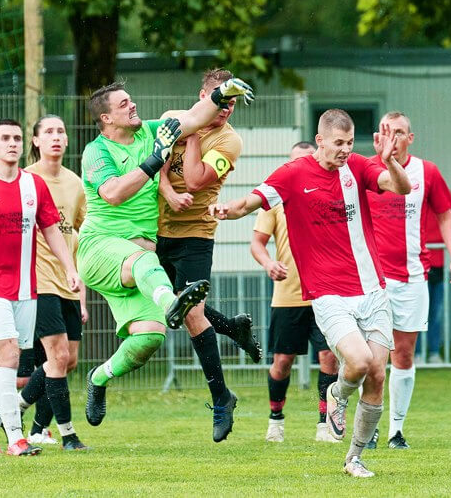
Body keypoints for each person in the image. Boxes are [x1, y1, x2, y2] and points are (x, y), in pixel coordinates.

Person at [211, 109, 411, 478]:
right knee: (359, 362)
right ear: (320, 141)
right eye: (338, 143)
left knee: (377, 375)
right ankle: (336, 394)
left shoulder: (359, 167)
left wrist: (390, 161)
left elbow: (401, 187)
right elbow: (248, 203)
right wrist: (226, 210)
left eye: (349, 142)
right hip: (328, 293)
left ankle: (354, 458)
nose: (345, 149)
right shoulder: (292, 174)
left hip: (373, 290)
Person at [77, 78, 255, 442]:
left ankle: (98, 377)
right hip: (102, 248)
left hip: (180, 238)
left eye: (131, 100)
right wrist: (157, 163)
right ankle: (173, 304)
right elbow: (113, 193)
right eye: (124, 104)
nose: (133, 105)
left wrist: (223, 92)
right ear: (106, 118)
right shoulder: (96, 151)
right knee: (157, 276)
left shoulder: (157, 132)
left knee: (149, 339)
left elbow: (195, 124)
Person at [0, 119, 81, 456]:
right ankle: (17, 439)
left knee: (6, 362)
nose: (12, 143)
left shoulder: (34, 185)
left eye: (17, 138)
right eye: (5, 138)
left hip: (25, 287)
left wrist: (70, 269)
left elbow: (52, 230)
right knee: (8, 355)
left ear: (24, 145)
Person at [156, 68, 263, 440]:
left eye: (232, 103)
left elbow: (196, 178)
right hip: (156, 231)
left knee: (191, 314)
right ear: (204, 96)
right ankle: (233, 328)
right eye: (221, 100)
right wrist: (169, 193)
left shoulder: (229, 140)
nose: (226, 108)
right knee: (167, 303)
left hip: (195, 234)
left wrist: (193, 133)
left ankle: (221, 399)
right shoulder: (170, 118)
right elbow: (155, 166)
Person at [366, 112, 451, 450]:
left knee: (404, 354)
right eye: (386, 131)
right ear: (378, 136)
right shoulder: (366, 169)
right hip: (372, 279)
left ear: (410, 138)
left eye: (399, 132)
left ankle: (396, 431)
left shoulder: (428, 171)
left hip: (412, 277)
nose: (392, 137)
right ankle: (368, 426)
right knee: (372, 357)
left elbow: (445, 215)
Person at [249, 141, 340, 444]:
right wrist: (268, 263)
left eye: (306, 160)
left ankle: (325, 424)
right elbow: (257, 243)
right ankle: (276, 419)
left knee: (329, 357)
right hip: (288, 296)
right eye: (294, 162)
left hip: (325, 294)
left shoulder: (329, 195)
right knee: (282, 362)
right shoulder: (275, 202)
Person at [419, 189, 451, 364]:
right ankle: (418, 353)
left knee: (436, 313)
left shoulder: (444, 208)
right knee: (420, 313)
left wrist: (449, 202)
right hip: (421, 265)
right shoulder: (418, 205)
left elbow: (450, 228)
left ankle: (434, 351)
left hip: (439, 265)